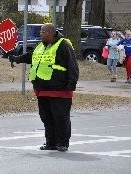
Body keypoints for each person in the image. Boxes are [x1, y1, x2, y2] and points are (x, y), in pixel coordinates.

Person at [9, 23, 79, 152]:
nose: (40, 34)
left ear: (51, 33)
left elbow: (73, 65)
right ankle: (51, 142)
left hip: (60, 89)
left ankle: (62, 143)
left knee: (60, 117)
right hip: (42, 89)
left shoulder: (63, 45)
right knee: (46, 117)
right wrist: (17, 59)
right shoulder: (41, 46)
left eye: (43, 32)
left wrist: (72, 83)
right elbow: (31, 56)